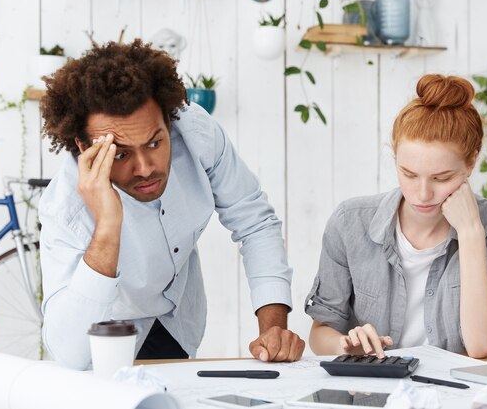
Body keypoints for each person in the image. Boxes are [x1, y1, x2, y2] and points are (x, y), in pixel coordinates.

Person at [39, 39, 304, 369]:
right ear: (83, 146)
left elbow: (253, 221)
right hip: (106, 341)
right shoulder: (65, 208)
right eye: (120, 153)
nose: (146, 167)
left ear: (169, 122)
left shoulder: (196, 133)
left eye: (154, 142)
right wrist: (107, 227)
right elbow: (69, 354)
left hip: (179, 327)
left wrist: (274, 329)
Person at [305, 74, 487, 359]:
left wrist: (470, 232)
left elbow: (479, 345)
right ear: (395, 158)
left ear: (471, 161)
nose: (423, 194)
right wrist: (344, 345)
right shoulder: (349, 223)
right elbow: (320, 333)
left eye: (442, 178)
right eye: (409, 174)